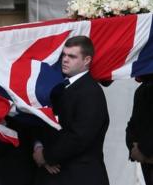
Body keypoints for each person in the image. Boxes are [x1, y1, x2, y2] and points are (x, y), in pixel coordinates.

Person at [32, 35, 110, 185]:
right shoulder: (60, 88)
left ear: (87, 60)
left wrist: (47, 156)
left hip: (81, 176)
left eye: (72, 56)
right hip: (59, 174)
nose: (65, 59)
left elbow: (80, 136)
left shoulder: (90, 92)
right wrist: (39, 147)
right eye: (64, 55)